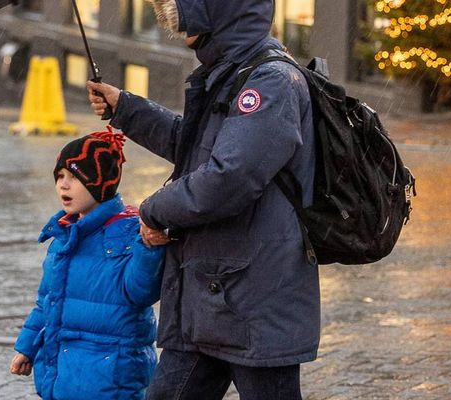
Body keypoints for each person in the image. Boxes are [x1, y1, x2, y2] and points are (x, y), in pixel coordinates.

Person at [86, 1, 319, 399]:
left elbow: (229, 178)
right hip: (208, 295)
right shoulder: (229, 73)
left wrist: (153, 209)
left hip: (253, 302)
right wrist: (127, 109)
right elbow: (196, 149)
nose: (176, 20)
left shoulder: (269, 80)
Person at [9, 128, 166, 400]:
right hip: (63, 370)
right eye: (60, 176)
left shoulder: (128, 231)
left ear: (100, 183)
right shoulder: (63, 235)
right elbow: (47, 300)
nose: (63, 185)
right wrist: (27, 347)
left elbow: (141, 293)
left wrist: (148, 248)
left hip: (110, 374)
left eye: (74, 177)